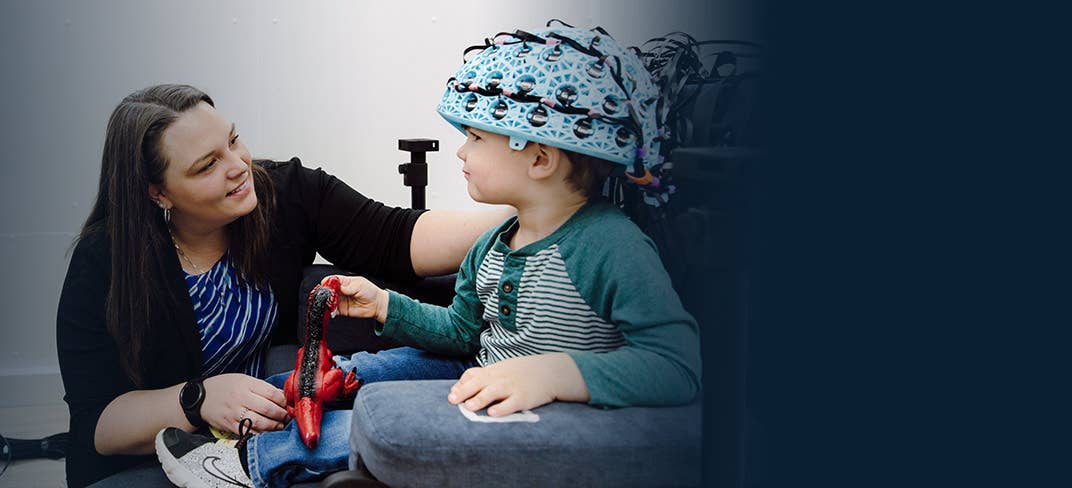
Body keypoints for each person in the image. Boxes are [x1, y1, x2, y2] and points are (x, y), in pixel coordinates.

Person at [152, 24, 701, 488]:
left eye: (477, 138)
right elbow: (463, 334)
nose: (461, 150)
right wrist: (386, 306)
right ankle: (241, 419)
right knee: (357, 371)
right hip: (482, 370)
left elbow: (677, 365)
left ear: (539, 159)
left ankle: (243, 465)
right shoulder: (493, 244)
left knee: (370, 421)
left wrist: (558, 374)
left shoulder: (610, 245)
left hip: (544, 414)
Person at [56, 83, 511, 488]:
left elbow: (401, 237)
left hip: (269, 433)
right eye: (206, 166)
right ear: (159, 192)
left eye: (233, 141)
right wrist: (198, 399)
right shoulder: (106, 261)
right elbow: (99, 424)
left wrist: (535, 215)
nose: (238, 167)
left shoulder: (282, 192)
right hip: (156, 453)